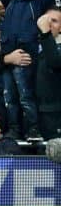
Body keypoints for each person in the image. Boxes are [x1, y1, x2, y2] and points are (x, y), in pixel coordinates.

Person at [0, 0, 58, 140]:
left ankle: (32, 128)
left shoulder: (40, 1)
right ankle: (14, 129)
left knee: (25, 96)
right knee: (9, 98)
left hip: (26, 56)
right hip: (8, 55)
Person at [36, 7, 61, 140]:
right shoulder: (33, 46)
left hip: (55, 114)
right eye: (46, 19)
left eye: (55, 21)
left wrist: (45, 33)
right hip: (35, 112)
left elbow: (54, 62)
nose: (49, 23)